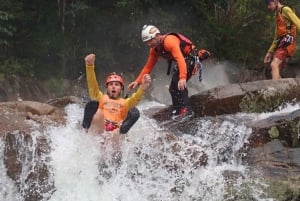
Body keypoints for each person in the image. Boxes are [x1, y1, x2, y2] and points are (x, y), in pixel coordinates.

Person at [128, 25, 211, 117]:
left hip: (190, 58)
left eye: (149, 41)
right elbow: (148, 67)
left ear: (157, 36)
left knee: (178, 83)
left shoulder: (169, 41)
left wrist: (182, 78)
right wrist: (137, 81)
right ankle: (177, 109)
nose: (148, 44)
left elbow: (180, 59)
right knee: (172, 88)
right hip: (184, 61)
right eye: (146, 42)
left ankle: (187, 109)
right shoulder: (154, 50)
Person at [82, 53, 152, 135]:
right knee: (97, 111)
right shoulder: (100, 97)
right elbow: (92, 86)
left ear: (121, 89)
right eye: (111, 85)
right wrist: (89, 66)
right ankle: (86, 128)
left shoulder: (125, 102)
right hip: (101, 128)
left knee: (132, 114)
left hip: (115, 131)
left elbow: (135, 98)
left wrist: (142, 88)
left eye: (117, 85)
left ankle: (122, 131)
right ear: (107, 88)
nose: (113, 87)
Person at [263, 0, 300, 79]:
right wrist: (269, 52)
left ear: (276, 1)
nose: (268, 7)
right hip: (281, 42)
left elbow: (298, 23)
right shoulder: (278, 15)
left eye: (269, 4)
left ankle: (276, 90)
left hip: (288, 41)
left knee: (274, 64)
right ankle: (285, 89)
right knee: (274, 71)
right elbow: (277, 37)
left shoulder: (285, 10)